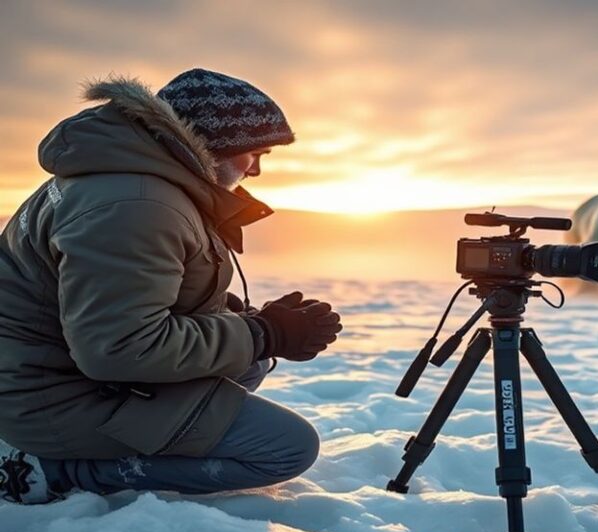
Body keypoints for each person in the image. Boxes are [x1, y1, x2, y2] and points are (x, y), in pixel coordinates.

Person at [0, 68, 342, 504]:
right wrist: (263, 333)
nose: (255, 170)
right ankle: (53, 470)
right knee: (284, 449)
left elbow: (125, 298)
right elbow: (120, 348)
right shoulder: (135, 205)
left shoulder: (125, 177)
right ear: (211, 144)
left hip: (47, 372)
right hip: (48, 398)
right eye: (255, 153)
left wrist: (245, 322)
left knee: (246, 365)